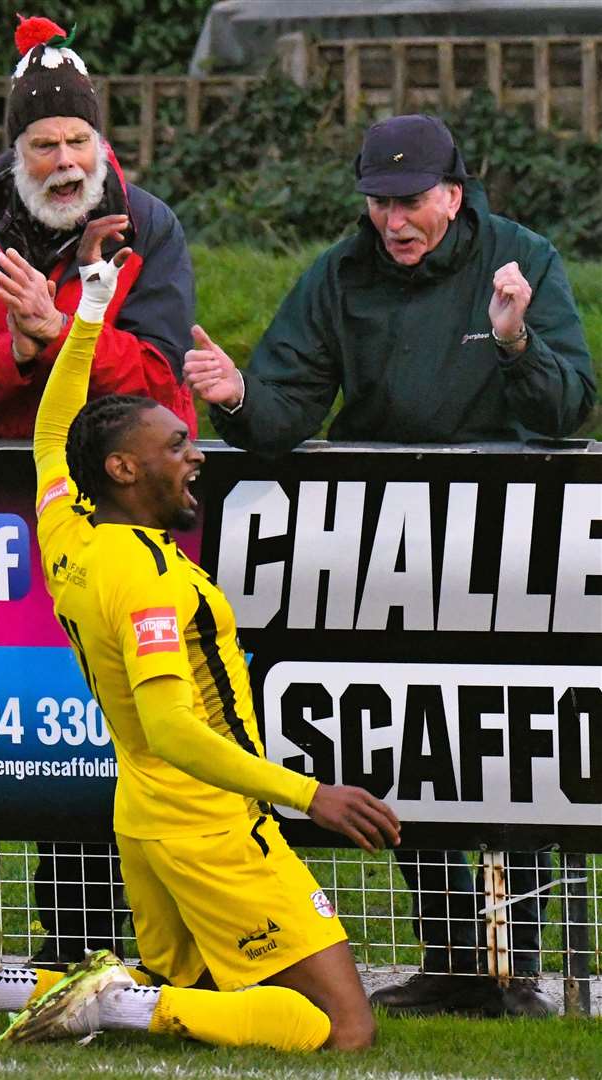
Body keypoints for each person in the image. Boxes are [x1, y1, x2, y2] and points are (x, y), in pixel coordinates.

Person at [0, 217, 401, 1051]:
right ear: (123, 468)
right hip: (207, 822)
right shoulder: (145, 576)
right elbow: (168, 725)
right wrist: (310, 795)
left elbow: (53, 432)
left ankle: (8, 983)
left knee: (187, 987)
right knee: (343, 1030)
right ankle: (104, 1002)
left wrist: (88, 310)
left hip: (143, 813)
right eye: (175, 444)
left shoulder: (70, 533)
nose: (193, 455)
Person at [185, 114, 596, 1017]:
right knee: (403, 743)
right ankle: (454, 959)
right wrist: (240, 396)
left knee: (505, 738)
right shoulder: (339, 272)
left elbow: (568, 407)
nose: (393, 221)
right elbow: (287, 402)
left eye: (409, 202)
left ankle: (512, 963)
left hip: (506, 544)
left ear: (453, 192)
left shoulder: (521, 258)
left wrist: (515, 340)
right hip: (382, 545)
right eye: (377, 203)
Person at [0, 13, 198, 966]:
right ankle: (61, 944)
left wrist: (70, 330)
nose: (65, 160)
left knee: (137, 724)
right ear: (15, 149)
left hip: (126, 519)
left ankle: (156, 940)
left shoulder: (150, 223)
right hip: (5, 512)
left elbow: (156, 376)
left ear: (101, 141)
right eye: (44, 144)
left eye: (77, 140)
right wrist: (20, 346)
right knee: (28, 727)